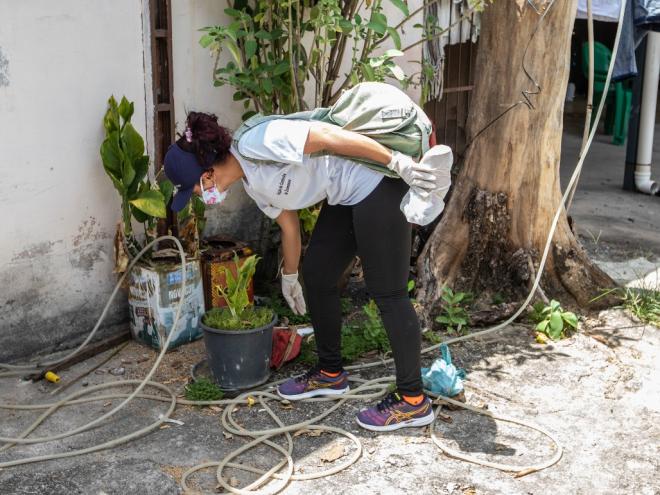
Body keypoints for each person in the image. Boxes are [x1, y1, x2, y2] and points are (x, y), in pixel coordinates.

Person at [164, 111, 448, 432]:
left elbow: (326, 137)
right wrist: (289, 275)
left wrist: (395, 161)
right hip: (344, 194)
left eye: (195, 192)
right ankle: (330, 373)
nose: (202, 198)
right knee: (317, 275)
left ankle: (413, 400)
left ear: (207, 176)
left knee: (389, 291)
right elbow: (289, 226)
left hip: (378, 180)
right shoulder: (254, 184)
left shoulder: (259, 142)